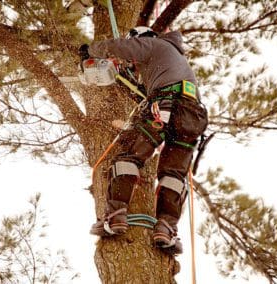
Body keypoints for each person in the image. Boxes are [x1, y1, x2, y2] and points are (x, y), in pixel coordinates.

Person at [79, 27, 208, 255]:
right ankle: (165, 230)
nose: (134, 65)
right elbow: (143, 92)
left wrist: (90, 50)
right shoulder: (172, 60)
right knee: (173, 175)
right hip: (192, 117)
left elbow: (118, 47)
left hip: (165, 107)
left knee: (129, 156)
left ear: (141, 40)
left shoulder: (154, 45)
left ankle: (115, 217)